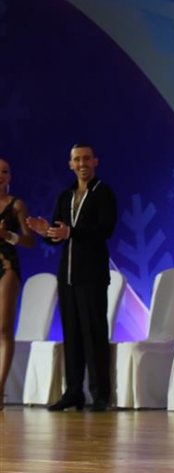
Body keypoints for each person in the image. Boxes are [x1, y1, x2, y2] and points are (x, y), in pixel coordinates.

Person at [27, 144, 117, 411]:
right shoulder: (66, 195)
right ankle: (74, 391)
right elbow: (59, 233)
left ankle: (100, 395)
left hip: (92, 275)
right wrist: (47, 232)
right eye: (77, 159)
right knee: (72, 334)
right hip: (67, 275)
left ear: (95, 161)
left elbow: (105, 230)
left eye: (86, 159)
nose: (82, 164)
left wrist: (71, 233)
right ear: (70, 164)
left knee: (94, 334)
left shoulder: (103, 193)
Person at [0, 159, 35, 408]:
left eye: (4, 171)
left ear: (10, 177)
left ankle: (0, 388)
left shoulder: (16, 205)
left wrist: (7, 235)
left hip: (6, 267)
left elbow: (29, 241)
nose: (0, 175)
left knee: (3, 329)